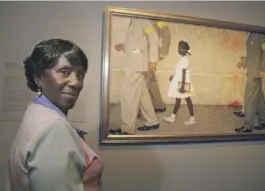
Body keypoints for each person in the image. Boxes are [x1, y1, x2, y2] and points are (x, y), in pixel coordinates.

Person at [5, 39, 103, 190]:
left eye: (80, 75)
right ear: (38, 78)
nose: (76, 82)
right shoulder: (53, 129)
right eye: (65, 72)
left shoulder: (36, 111)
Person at [109, 17, 160, 135]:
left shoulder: (142, 19)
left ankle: (128, 128)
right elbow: (137, 40)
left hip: (137, 63)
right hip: (135, 61)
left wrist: (153, 60)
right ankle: (153, 121)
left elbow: (153, 37)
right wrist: (125, 46)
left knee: (127, 92)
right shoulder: (133, 20)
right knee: (142, 94)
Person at [235, 32, 265, 133]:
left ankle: (247, 126)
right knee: (259, 97)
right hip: (251, 70)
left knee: (249, 99)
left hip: (256, 72)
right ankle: (264, 122)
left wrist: (263, 69)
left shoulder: (260, 34)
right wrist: (244, 63)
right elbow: (253, 54)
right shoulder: (251, 34)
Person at [163, 40, 196, 125]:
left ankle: (192, 119)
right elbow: (179, 71)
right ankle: (173, 117)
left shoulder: (185, 60)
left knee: (187, 99)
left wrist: (182, 86)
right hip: (181, 81)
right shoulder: (182, 59)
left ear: (185, 50)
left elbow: (184, 73)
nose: (178, 49)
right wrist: (173, 76)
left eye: (180, 48)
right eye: (178, 47)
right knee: (178, 100)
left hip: (183, 82)